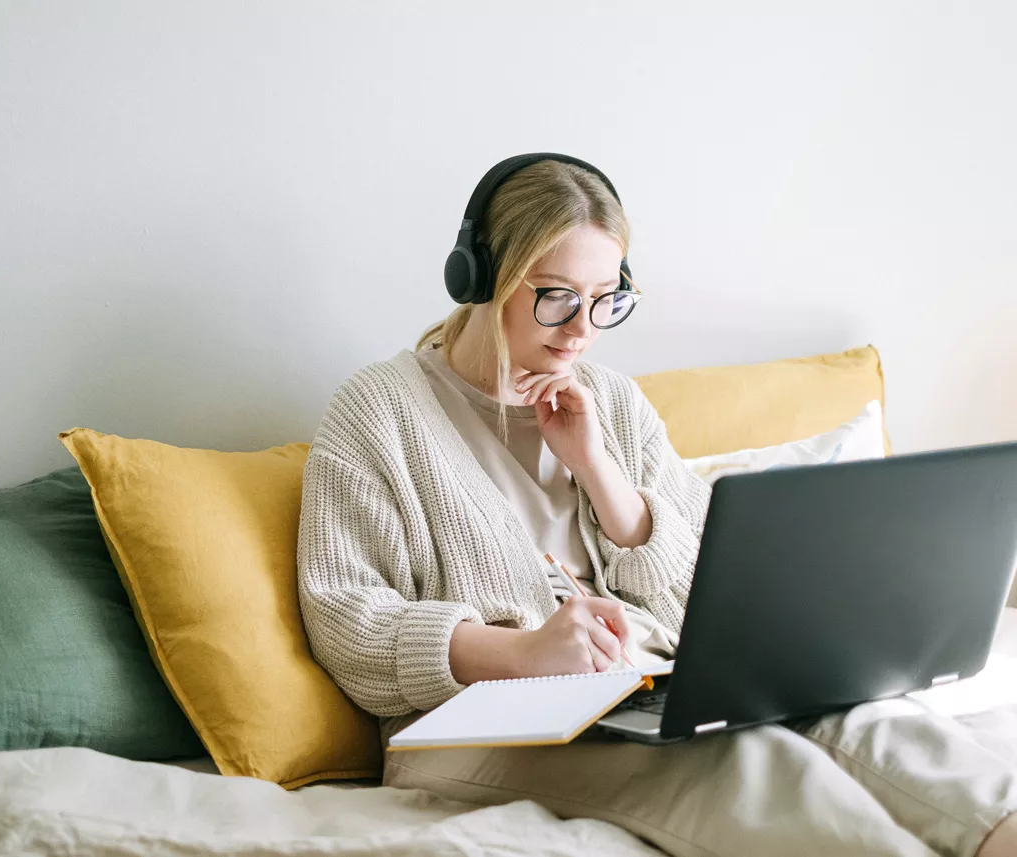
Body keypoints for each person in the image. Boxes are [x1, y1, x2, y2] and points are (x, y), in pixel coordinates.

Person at [296, 154, 1017, 857]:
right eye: (556, 296)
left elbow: (709, 585)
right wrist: (521, 653)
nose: (582, 329)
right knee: (756, 769)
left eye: (605, 299)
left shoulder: (610, 400)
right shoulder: (378, 411)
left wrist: (599, 471)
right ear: (482, 279)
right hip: (471, 725)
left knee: (876, 722)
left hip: (648, 686)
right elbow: (346, 619)